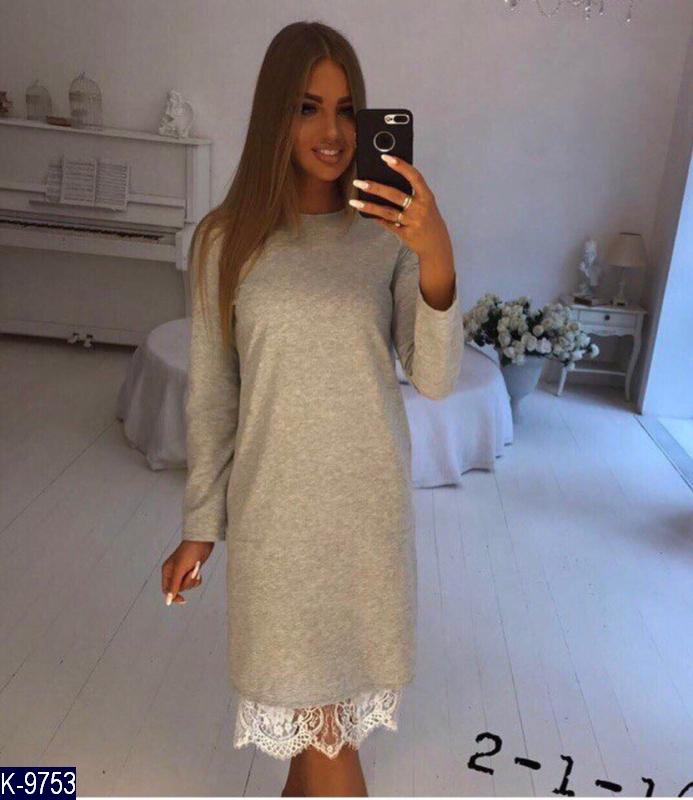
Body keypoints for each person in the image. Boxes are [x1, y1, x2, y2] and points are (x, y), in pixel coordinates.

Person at [161, 20, 464, 797]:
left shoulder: (387, 236)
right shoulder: (224, 241)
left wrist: (435, 253)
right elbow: (213, 394)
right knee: (318, 734)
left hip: (364, 519)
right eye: (307, 108)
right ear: (275, 114)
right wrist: (200, 525)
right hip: (276, 524)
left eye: (346, 108)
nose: (332, 131)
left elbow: (434, 377)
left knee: (322, 737)